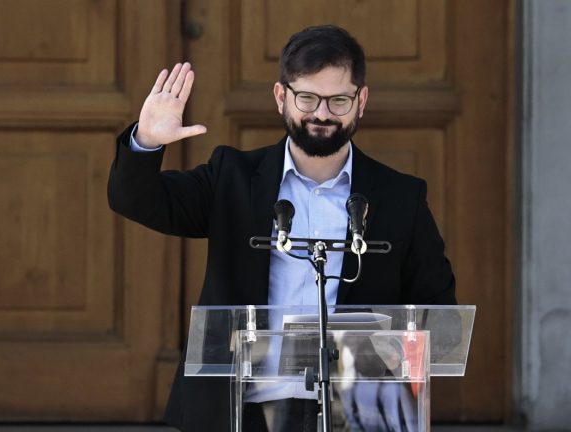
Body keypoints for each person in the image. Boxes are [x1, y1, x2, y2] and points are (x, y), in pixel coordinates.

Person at [108, 25, 456, 432]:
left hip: (356, 413)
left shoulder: (401, 197)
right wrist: (146, 142)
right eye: (307, 98)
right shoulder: (231, 177)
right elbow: (136, 201)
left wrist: (399, 348)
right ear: (281, 97)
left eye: (338, 100)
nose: (322, 114)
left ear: (361, 101)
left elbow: (438, 311)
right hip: (243, 409)